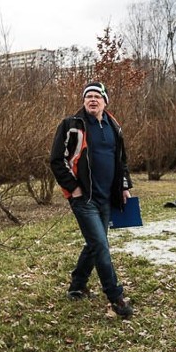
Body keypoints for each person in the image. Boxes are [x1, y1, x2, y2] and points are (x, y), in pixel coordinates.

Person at [50, 82, 134, 319]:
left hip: (107, 196)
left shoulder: (114, 126)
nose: (93, 100)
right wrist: (73, 188)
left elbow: (121, 161)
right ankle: (115, 296)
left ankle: (77, 285)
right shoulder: (72, 125)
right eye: (89, 96)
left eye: (97, 96)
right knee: (100, 245)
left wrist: (124, 186)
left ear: (105, 101)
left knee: (95, 242)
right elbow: (57, 159)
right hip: (83, 198)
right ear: (84, 101)